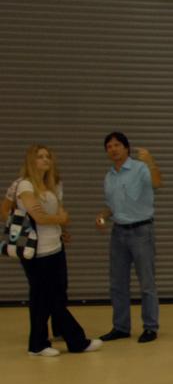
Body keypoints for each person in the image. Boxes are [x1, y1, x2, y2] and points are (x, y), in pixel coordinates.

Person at [14, 145, 102, 357]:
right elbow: (39, 217)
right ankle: (77, 341)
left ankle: (37, 344)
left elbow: (60, 216)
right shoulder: (25, 185)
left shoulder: (49, 186)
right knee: (52, 299)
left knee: (43, 299)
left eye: (48, 156)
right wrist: (58, 219)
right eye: (40, 157)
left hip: (55, 247)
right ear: (31, 161)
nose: (46, 160)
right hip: (37, 252)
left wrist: (59, 224)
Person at [97, 132, 162, 343]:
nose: (113, 149)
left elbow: (157, 183)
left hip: (141, 231)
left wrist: (150, 161)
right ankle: (121, 327)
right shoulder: (109, 176)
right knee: (117, 283)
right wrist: (103, 215)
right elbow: (112, 206)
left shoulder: (140, 168)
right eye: (109, 147)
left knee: (146, 283)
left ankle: (150, 327)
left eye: (117, 145)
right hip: (118, 232)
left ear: (126, 148)